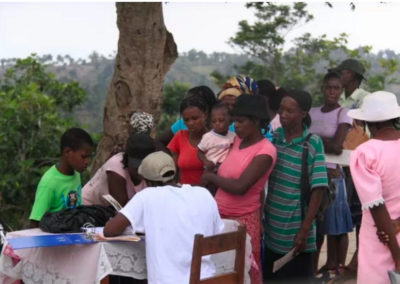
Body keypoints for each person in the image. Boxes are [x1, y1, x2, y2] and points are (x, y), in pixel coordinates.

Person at [103, 151, 224, 284]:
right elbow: (217, 230)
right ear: (174, 173)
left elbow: (110, 230)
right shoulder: (203, 193)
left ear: (146, 180)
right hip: (208, 279)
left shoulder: (147, 196)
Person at [201, 94, 277, 284]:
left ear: (256, 121)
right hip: (219, 217)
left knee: (242, 273)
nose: (236, 126)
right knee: (219, 272)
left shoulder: (265, 151)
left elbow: (241, 187)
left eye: (241, 121)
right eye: (234, 121)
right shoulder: (235, 141)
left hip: (242, 220)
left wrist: (211, 177)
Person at [263, 90, 328, 282]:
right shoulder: (274, 139)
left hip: (297, 233)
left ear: (303, 114)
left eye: (290, 111)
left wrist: (305, 229)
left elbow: (318, 189)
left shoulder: (312, 143)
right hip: (272, 229)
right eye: (281, 109)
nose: (283, 114)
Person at [347, 91, 400, 284]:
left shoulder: (365, 153)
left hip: (381, 238)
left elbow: (376, 206)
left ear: (371, 124)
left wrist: (397, 256)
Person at [309, 72, 353, 278]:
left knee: (336, 227)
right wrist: (320, 141)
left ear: (341, 90)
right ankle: (314, 268)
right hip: (313, 173)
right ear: (323, 88)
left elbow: (336, 147)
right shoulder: (312, 112)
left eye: (336, 88)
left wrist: (314, 140)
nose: (332, 92)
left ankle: (336, 267)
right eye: (329, 87)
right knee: (316, 226)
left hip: (333, 175)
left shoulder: (343, 113)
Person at [29, 127, 94, 227]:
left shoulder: (76, 174)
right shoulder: (49, 183)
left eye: (89, 157)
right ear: (67, 152)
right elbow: (35, 222)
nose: (87, 162)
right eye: (83, 157)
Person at [82, 133, 156, 207]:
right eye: (136, 167)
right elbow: (121, 209)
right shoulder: (116, 167)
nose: (139, 171)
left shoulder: (153, 172)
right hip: (87, 208)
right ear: (127, 159)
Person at [167, 96, 208, 185]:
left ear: (205, 115)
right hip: (183, 193)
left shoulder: (215, 140)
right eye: (186, 120)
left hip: (206, 194)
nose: (191, 123)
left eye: (195, 118)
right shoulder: (179, 137)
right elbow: (174, 172)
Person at [197, 103, 235, 173]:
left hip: (226, 168)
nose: (217, 123)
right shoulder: (208, 137)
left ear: (230, 121)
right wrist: (206, 162)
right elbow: (199, 152)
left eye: (221, 120)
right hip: (211, 168)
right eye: (214, 121)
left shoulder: (233, 136)